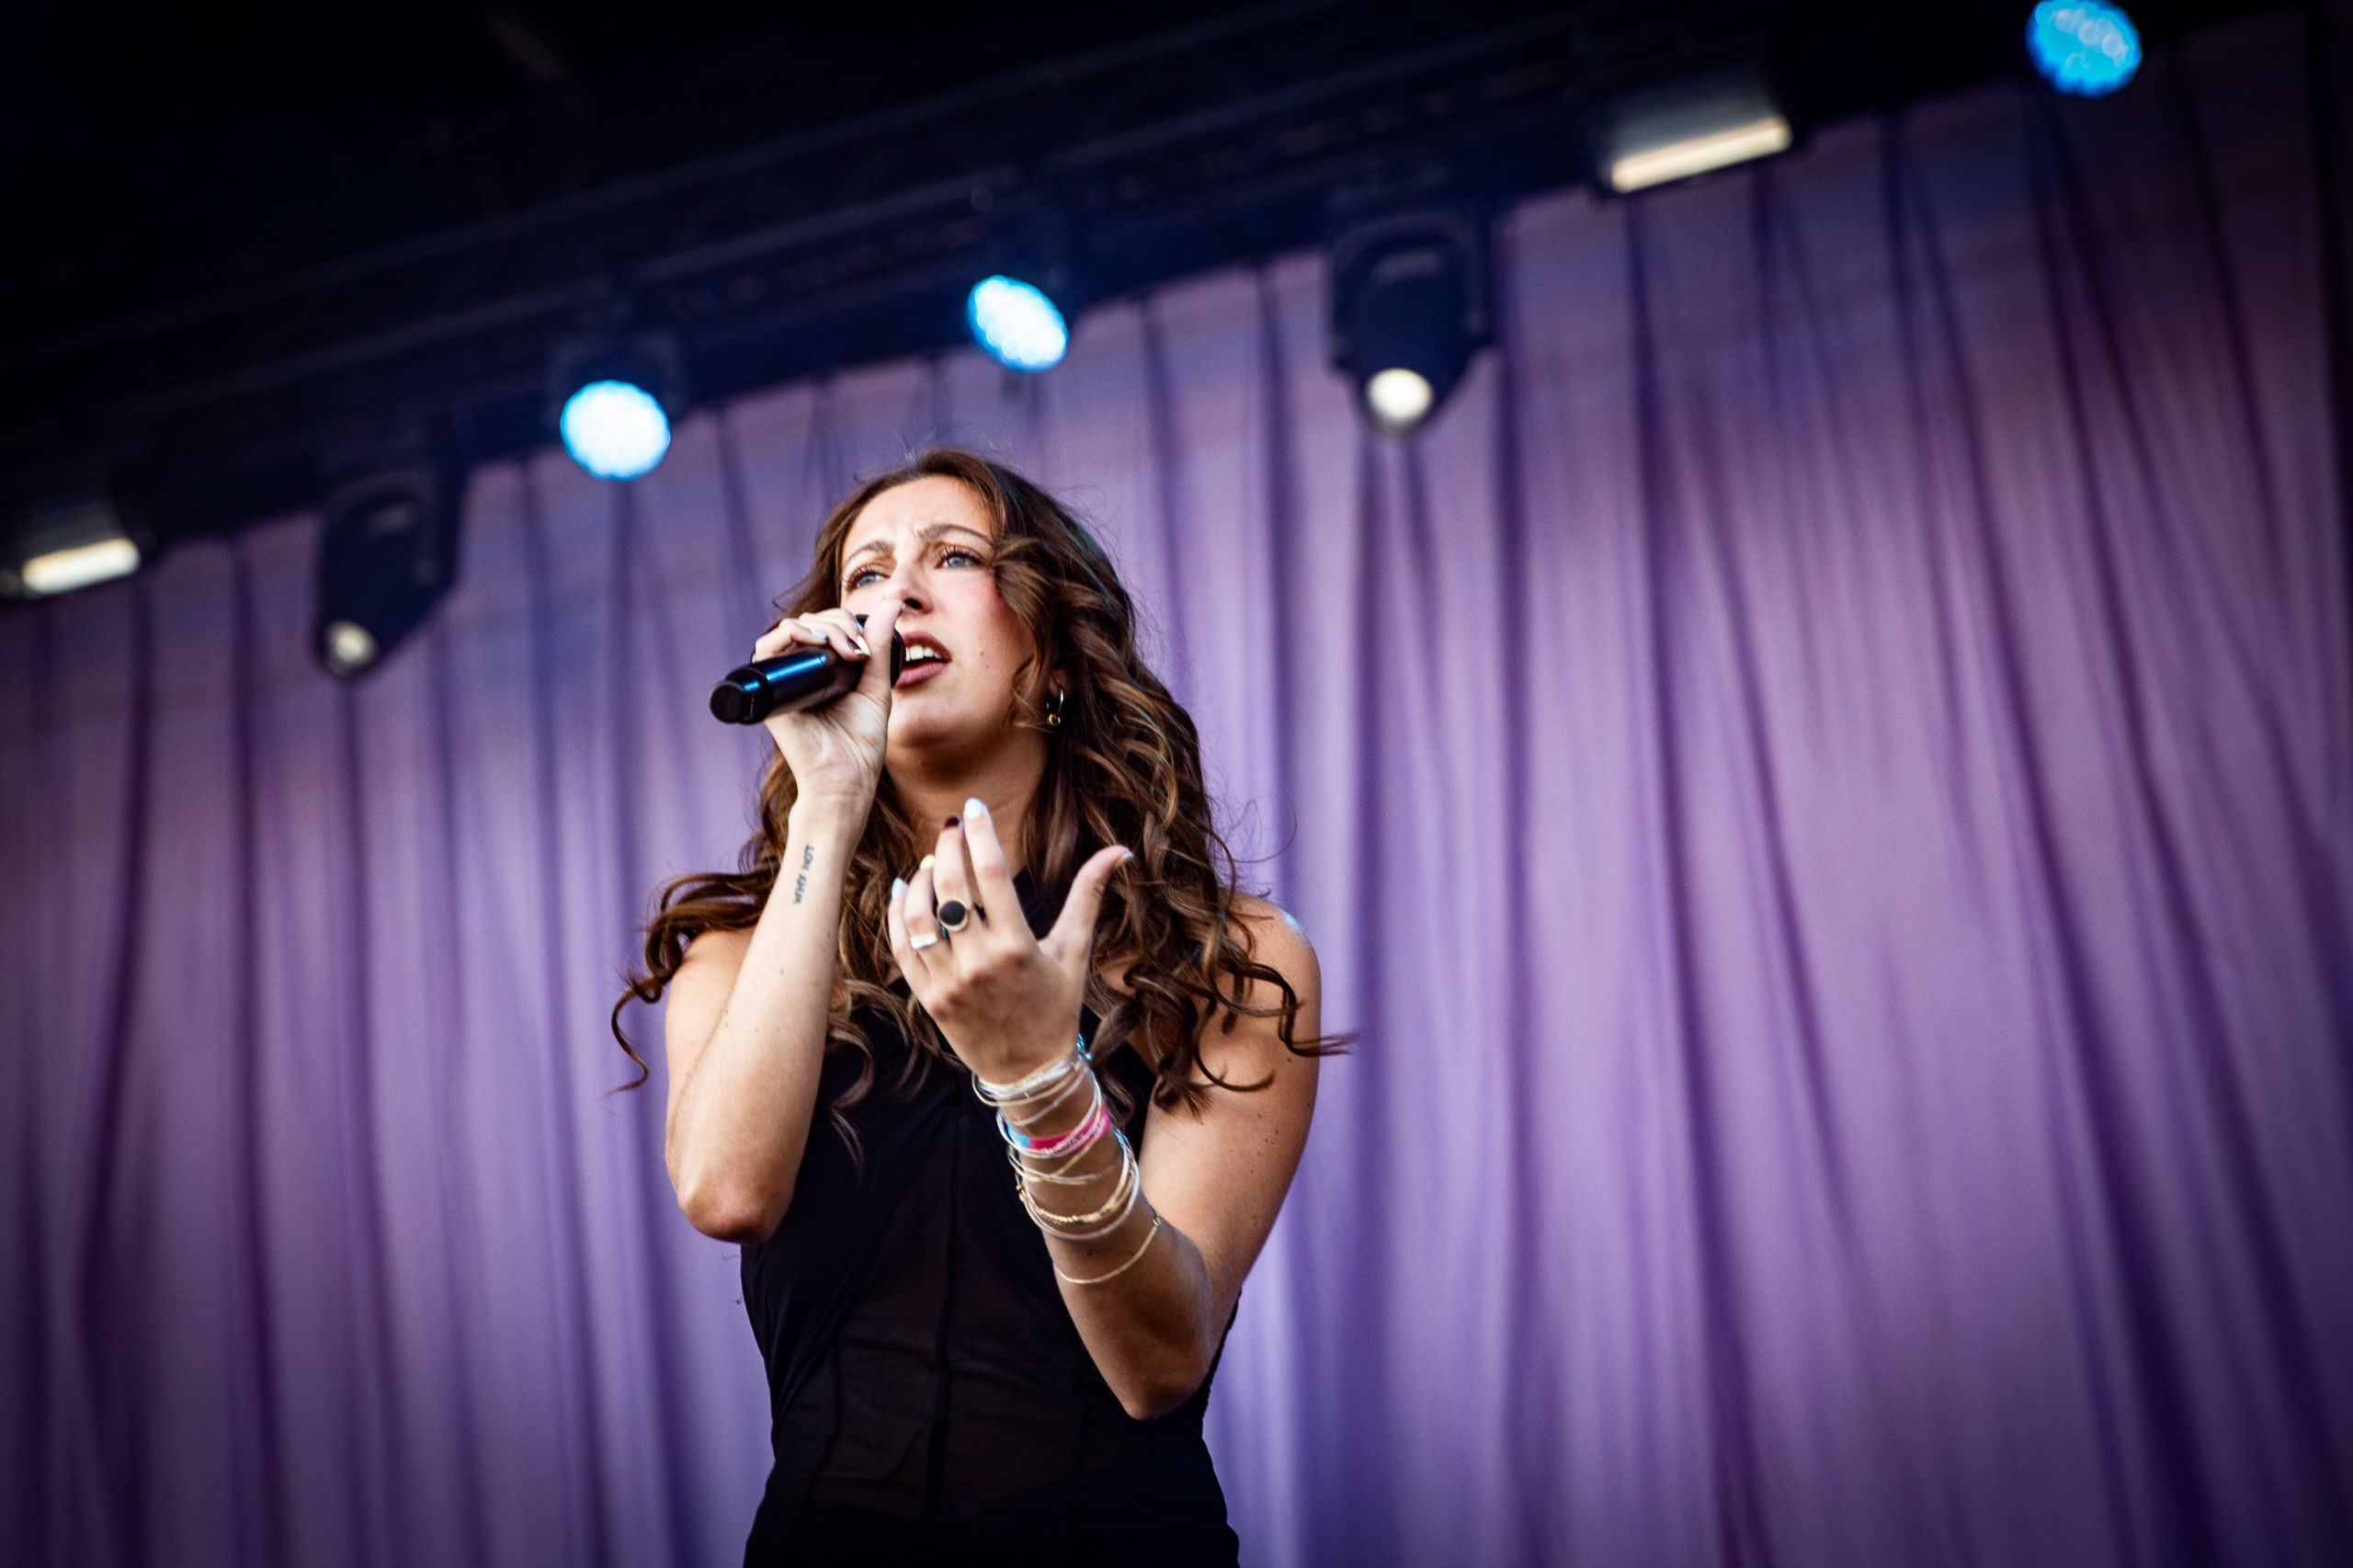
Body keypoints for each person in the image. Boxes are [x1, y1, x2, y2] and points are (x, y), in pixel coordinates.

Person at [615, 449, 1331, 1565]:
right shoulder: (740, 950)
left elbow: (1159, 1363)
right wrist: (830, 802)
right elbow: (727, 1190)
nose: (895, 593)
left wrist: (1042, 1078)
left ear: (1053, 652)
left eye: (952, 558)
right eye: (863, 576)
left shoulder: (1227, 958)